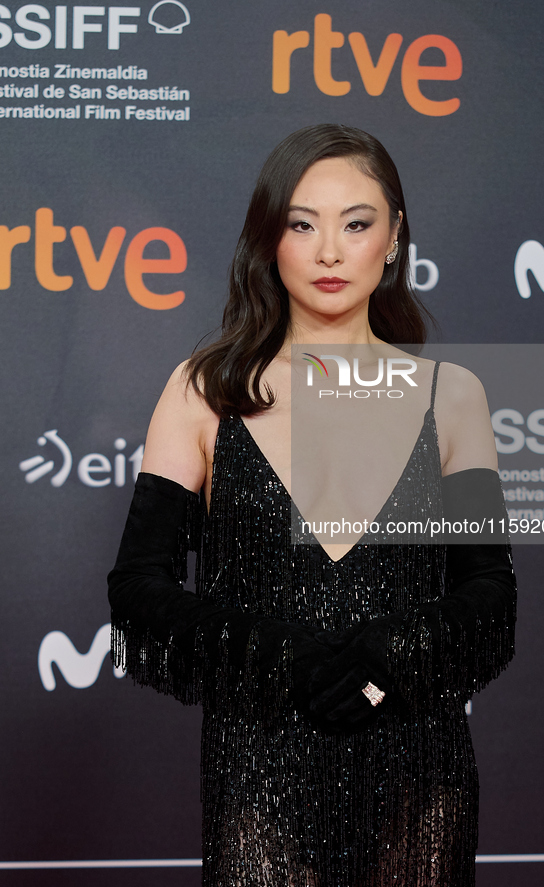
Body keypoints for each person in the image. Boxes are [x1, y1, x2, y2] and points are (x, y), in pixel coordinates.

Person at [108, 123, 517, 887]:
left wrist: (380, 660)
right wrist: (284, 658)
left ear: (393, 237)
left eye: (356, 224)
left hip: (417, 770)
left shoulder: (452, 396)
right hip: (260, 765)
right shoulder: (204, 391)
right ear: (270, 238)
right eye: (302, 224)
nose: (330, 251)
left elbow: (488, 596)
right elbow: (140, 587)